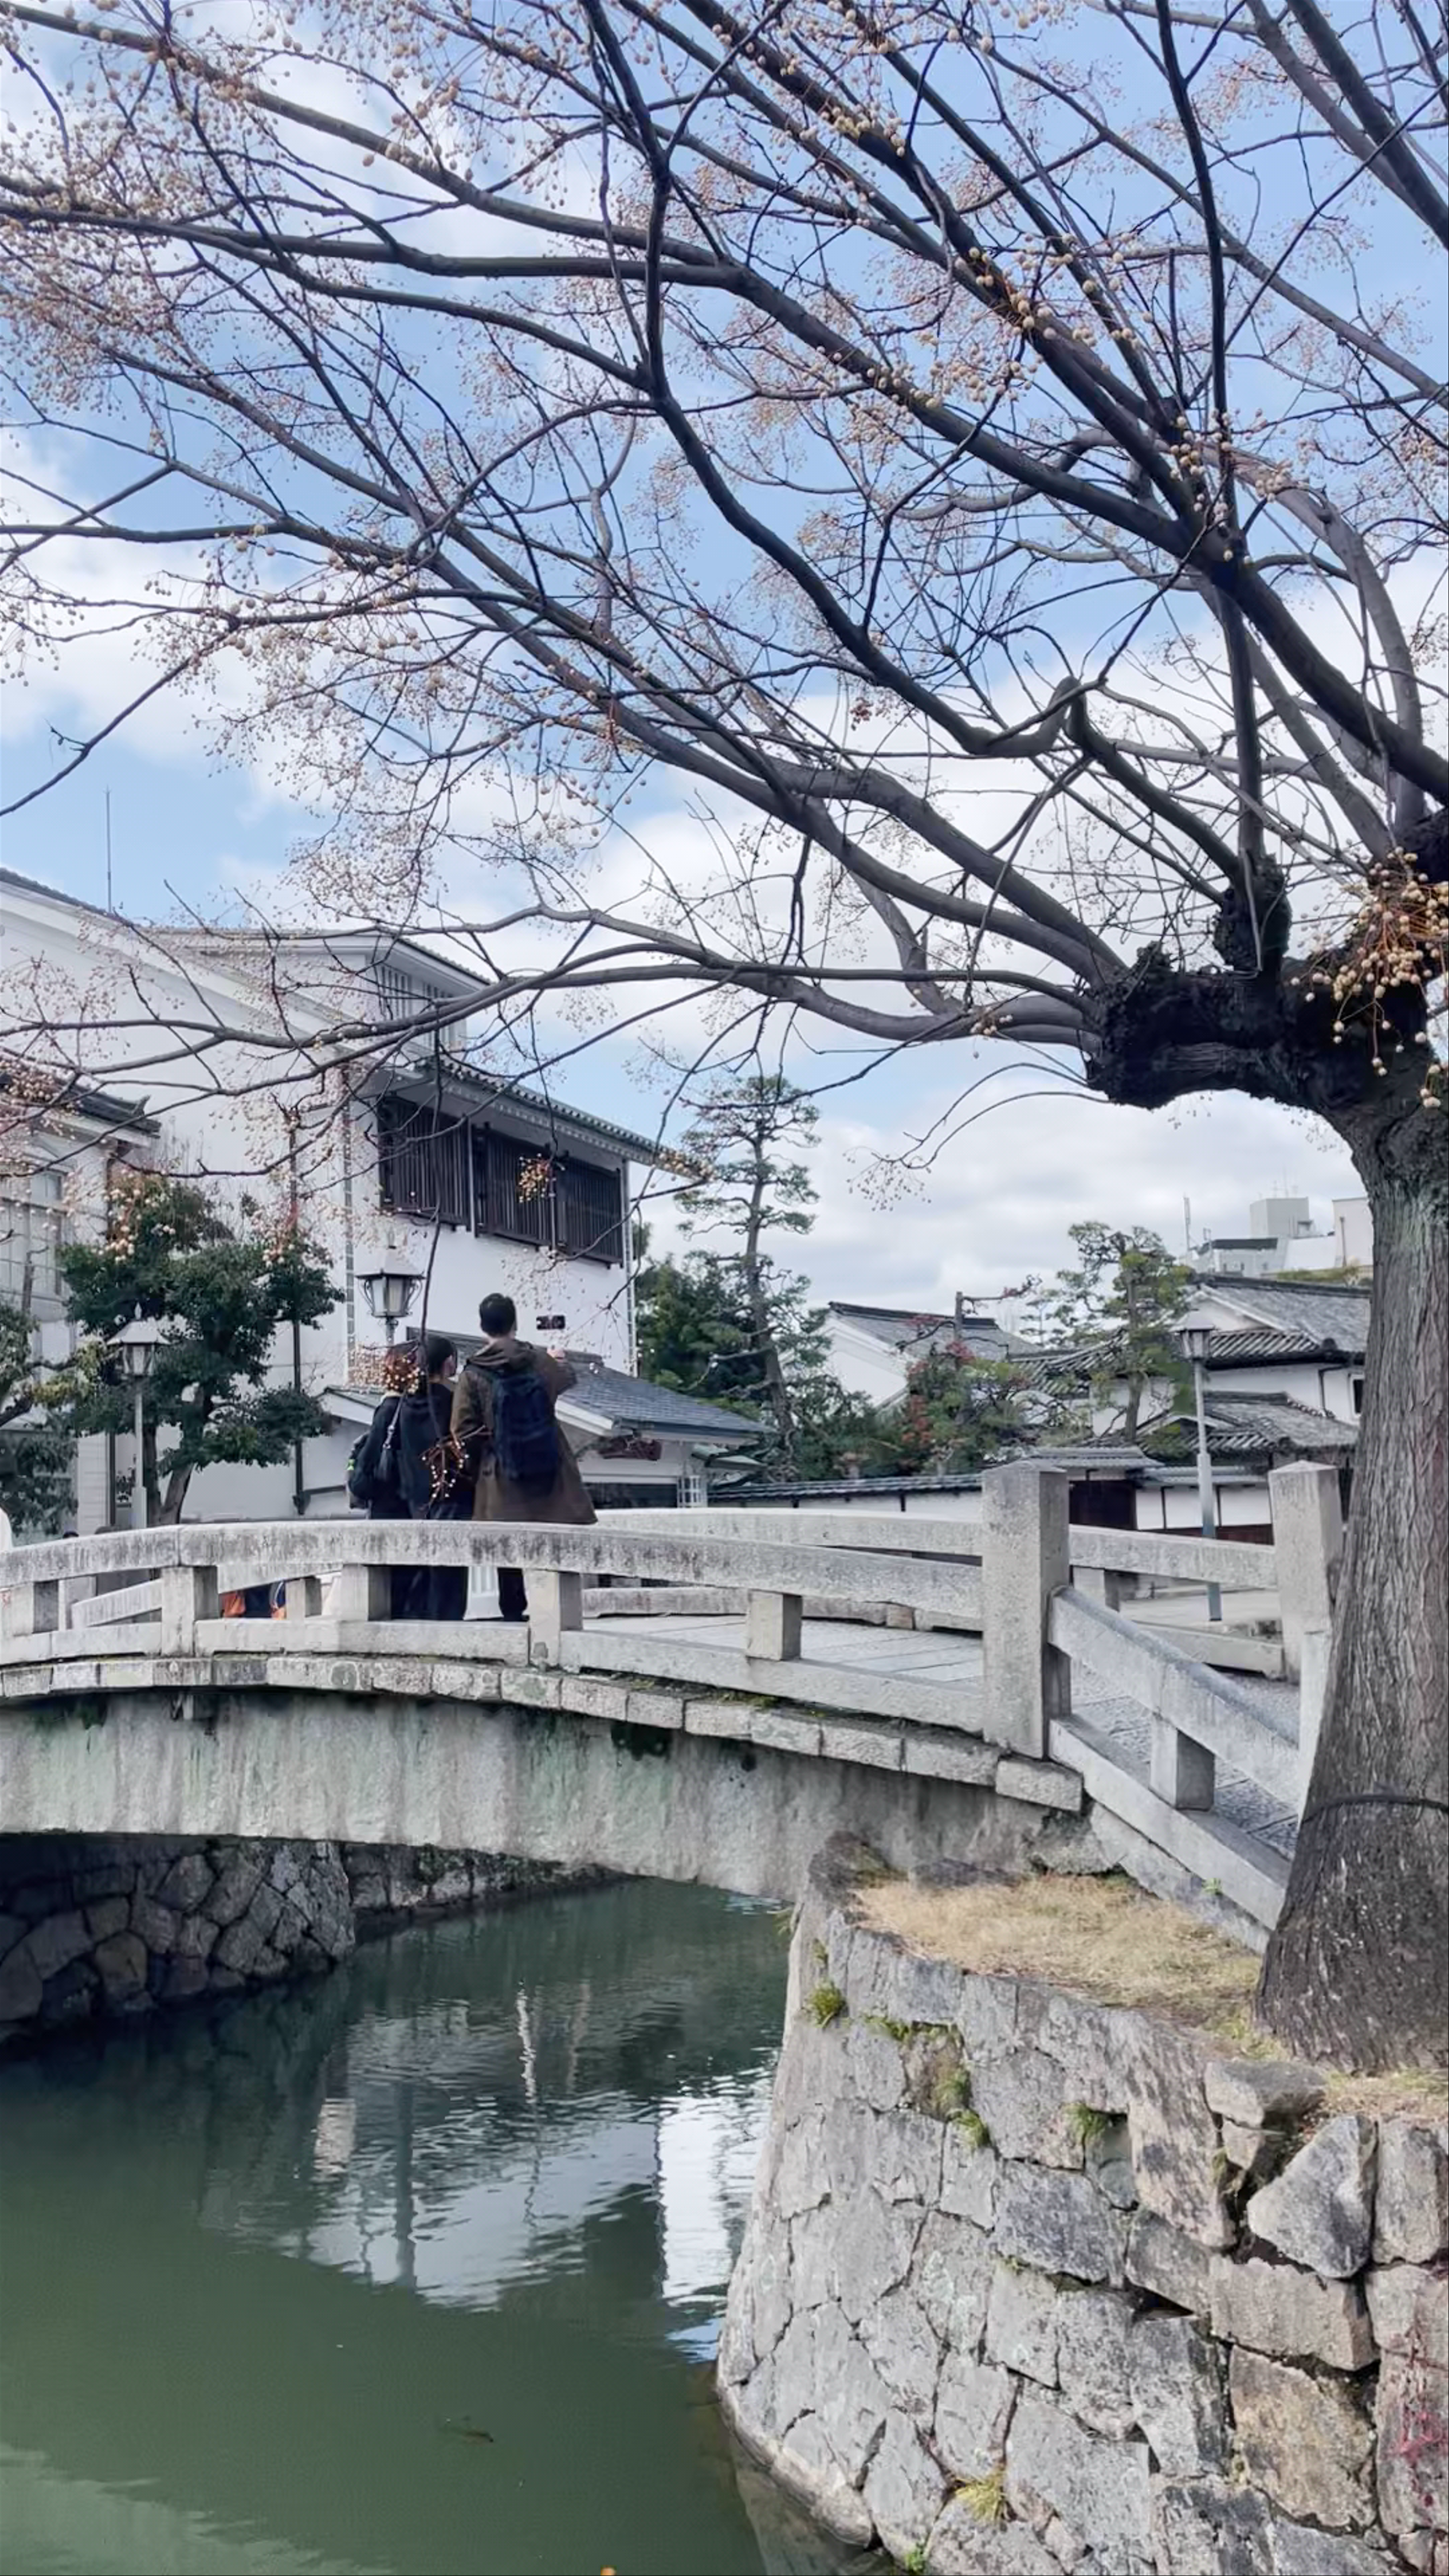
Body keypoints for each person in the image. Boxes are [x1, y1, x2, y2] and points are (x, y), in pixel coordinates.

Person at [450, 1291, 595, 1620]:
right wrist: (559, 1359)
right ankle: (558, 1613)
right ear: (515, 1323)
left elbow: (462, 1430)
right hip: (550, 1467)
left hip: (501, 1472)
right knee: (554, 1542)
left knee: (507, 1547)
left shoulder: (472, 1373)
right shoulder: (541, 1361)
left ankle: (513, 1613)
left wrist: (477, 1464)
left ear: (483, 1326)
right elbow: (567, 1379)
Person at [395, 1332, 470, 1621]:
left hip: (416, 1498)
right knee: (450, 1575)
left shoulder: (405, 1404)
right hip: (449, 1495)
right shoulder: (449, 1402)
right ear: (448, 1363)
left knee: (426, 1569)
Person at [348, 1343, 416, 1618]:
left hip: (388, 1502)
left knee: (390, 1578)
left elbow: (368, 1464)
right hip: (410, 1502)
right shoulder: (413, 1409)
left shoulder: (387, 1410)